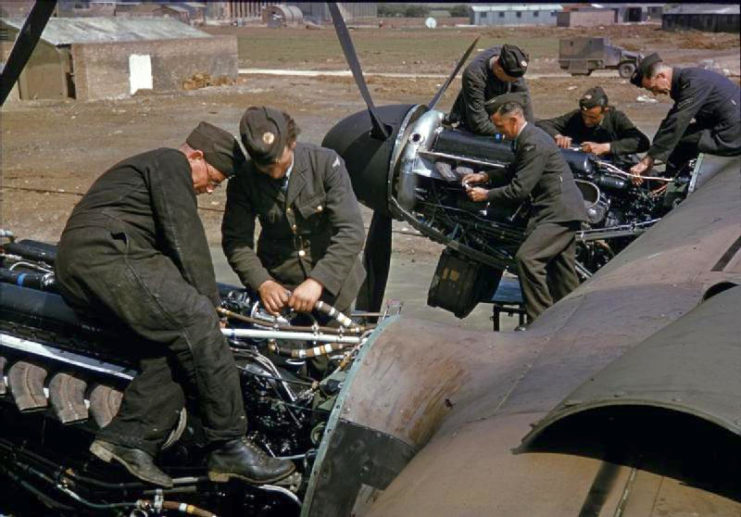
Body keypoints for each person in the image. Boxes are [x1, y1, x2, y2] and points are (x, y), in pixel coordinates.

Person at [55, 122, 295, 487]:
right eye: (212, 179)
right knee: (196, 322)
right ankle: (229, 444)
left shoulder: (146, 176)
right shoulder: (170, 162)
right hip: (105, 254)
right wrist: (211, 307)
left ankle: (128, 441)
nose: (210, 190)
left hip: (91, 264)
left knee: (171, 349)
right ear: (196, 156)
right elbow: (185, 234)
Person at [222, 106, 365, 320]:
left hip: (333, 288)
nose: (275, 173)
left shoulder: (326, 164)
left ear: (293, 142)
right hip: (279, 291)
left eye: (279, 162)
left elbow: (351, 232)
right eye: (266, 168)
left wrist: (319, 281)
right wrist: (263, 282)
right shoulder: (244, 180)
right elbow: (236, 242)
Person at [462, 94, 588, 323]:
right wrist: (486, 176)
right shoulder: (527, 138)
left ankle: (541, 321)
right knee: (562, 274)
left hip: (557, 212)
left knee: (527, 259)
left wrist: (486, 195)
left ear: (514, 120)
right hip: (562, 210)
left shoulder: (533, 142)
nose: (500, 132)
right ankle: (573, 320)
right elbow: (514, 169)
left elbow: (519, 189)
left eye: (501, 126)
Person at [629, 52, 741, 184]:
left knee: (679, 141)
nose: (655, 94)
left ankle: (669, 186)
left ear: (661, 76)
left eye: (653, 88)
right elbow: (671, 119)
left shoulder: (693, 83)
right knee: (676, 135)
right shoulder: (686, 79)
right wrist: (652, 154)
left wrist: (648, 160)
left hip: (731, 135)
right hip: (727, 127)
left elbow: (678, 121)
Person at [536, 86, 650, 167]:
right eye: (584, 116)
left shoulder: (616, 118)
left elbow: (642, 142)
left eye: (592, 117)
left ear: (605, 111)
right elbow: (542, 124)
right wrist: (558, 136)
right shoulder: (575, 117)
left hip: (613, 168)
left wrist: (605, 147)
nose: (587, 121)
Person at [447, 44, 534, 135]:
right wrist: (509, 132)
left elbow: (524, 97)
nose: (516, 81)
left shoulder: (511, 61)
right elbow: (479, 123)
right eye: (511, 80)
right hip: (472, 117)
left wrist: (528, 131)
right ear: (499, 69)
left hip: (497, 111)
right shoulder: (474, 75)